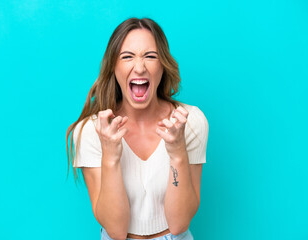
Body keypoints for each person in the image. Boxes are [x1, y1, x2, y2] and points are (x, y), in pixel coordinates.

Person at [66, 17, 209, 240]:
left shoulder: (189, 121)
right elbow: (115, 230)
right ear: (113, 66)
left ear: (163, 65)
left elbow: (180, 223)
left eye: (150, 57)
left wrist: (177, 152)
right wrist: (110, 155)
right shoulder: (90, 131)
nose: (140, 67)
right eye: (127, 57)